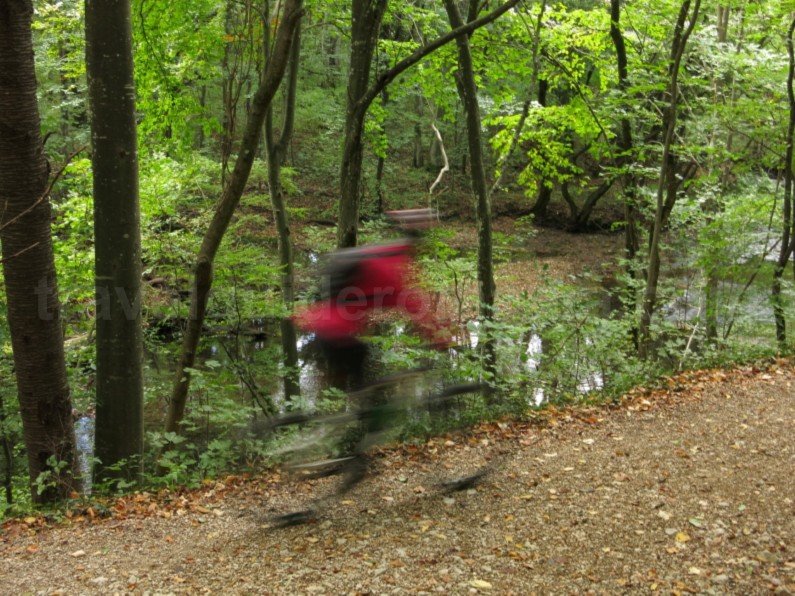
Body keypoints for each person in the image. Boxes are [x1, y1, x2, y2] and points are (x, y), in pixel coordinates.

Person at [288, 209, 451, 501]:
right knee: (371, 393)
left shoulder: (380, 253)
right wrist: (438, 338)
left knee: (359, 392)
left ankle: (346, 446)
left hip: (325, 328)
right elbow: (414, 307)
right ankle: (356, 458)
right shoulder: (394, 265)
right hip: (339, 334)